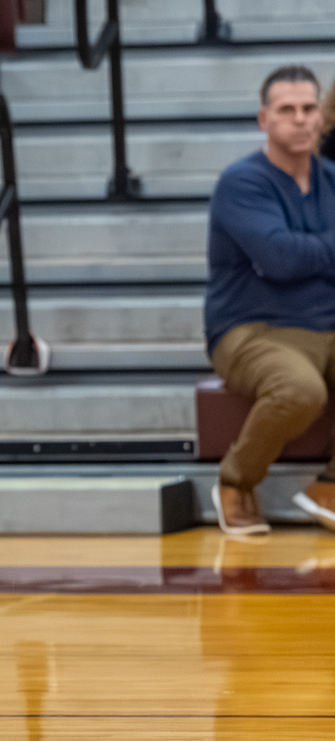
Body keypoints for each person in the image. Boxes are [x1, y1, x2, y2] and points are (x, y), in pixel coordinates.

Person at [205, 65, 335, 536]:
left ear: (321, 115)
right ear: (264, 118)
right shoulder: (242, 183)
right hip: (251, 329)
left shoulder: (331, 179)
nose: (300, 119)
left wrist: (310, 251)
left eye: (308, 108)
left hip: (326, 324)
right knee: (301, 390)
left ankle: (329, 488)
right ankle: (235, 482)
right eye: (287, 109)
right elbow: (279, 258)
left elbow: (291, 255)